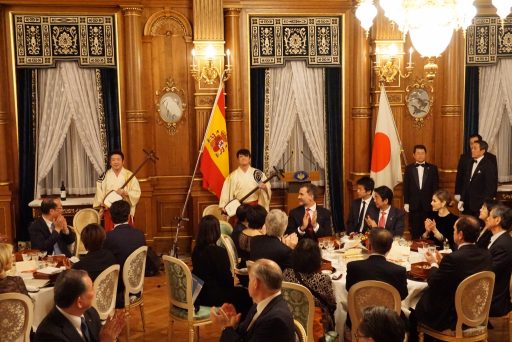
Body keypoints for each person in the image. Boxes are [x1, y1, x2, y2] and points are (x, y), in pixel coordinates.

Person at [414, 215, 493, 332]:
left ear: (460, 235)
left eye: (454, 230)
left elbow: (433, 282)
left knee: (416, 305)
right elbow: (462, 272)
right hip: (477, 313)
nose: (453, 232)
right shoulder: (487, 255)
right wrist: (442, 263)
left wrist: (433, 264)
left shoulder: (454, 258)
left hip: (452, 318)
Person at [210, 259, 295, 342]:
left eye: (250, 279)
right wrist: (234, 326)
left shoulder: (275, 320)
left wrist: (225, 327)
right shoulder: (259, 304)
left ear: (255, 283)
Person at [35, 269, 126, 342]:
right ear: (79, 302)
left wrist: (110, 335)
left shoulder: (90, 313)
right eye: (91, 288)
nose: (95, 292)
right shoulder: (49, 335)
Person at [192, 215, 252, 317]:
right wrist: (233, 280)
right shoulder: (219, 252)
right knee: (247, 296)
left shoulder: (196, 250)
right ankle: (241, 329)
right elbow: (226, 281)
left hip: (200, 294)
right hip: (214, 296)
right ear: (217, 231)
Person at [283, 238, 336, 339]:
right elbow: (332, 303)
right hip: (317, 325)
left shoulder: (287, 273)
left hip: (293, 324)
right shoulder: (323, 279)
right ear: (317, 259)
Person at [103, 200, 146, 308]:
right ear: (128, 216)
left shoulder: (109, 237)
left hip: (117, 291)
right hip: (136, 288)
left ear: (111, 217)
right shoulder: (140, 235)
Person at [346, 228, 408, 300]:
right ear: (390, 247)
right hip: (388, 311)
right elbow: (402, 296)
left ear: (368, 245)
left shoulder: (353, 267)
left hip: (359, 310)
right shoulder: (399, 271)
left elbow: (349, 289)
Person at [93, 150, 141, 232]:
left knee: (126, 233)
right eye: (113, 160)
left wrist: (125, 193)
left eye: (118, 159)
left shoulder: (129, 175)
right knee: (110, 232)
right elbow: (99, 191)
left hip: (125, 211)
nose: (116, 162)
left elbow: (137, 192)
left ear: (123, 161)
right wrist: (102, 202)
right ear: (110, 162)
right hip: (110, 211)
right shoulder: (104, 176)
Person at [403, 145, 439, 239]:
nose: (420, 155)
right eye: (418, 153)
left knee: (428, 230)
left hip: (428, 205)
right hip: (413, 205)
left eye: (422, 153)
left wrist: (435, 203)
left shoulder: (432, 168)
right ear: (414, 155)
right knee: (414, 229)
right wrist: (406, 202)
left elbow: (435, 187)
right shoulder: (409, 168)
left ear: (425, 154)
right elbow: (406, 187)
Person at [219, 149, 271, 213]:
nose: (243, 158)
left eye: (246, 156)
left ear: (250, 159)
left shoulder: (258, 173)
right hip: (239, 207)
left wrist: (265, 188)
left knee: (254, 222)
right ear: (238, 159)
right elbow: (225, 192)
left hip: (254, 207)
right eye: (241, 156)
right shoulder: (232, 176)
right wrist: (223, 205)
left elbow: (267, 188)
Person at [458, 140, 498, 216]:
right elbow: (466, 183)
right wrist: (462, 199)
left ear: (482, 151)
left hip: (479, 207)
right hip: (467, 205)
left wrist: (483, 205)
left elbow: (490, 189)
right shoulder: (470, 162)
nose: (472, 150)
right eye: (472, 148)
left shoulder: (489, 165)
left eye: (475, 148)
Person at [485, 204, 512, 317]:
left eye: (490, 216)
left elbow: (487, 272)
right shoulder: (500, 239)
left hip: (493, 300)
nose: (487, 218)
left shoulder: (503, 244)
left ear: (497, 220)